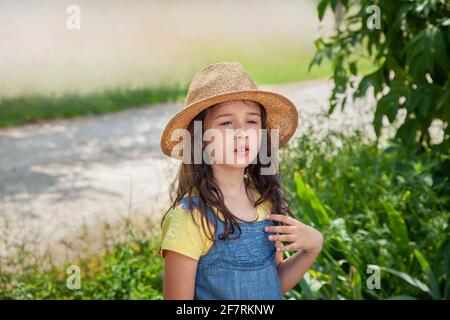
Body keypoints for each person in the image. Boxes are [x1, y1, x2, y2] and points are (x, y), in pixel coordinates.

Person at [159, 62, 323, 300]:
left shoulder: (265, 201)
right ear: (200, 138)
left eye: (252, 121)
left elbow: (271, 284)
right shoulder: (191, 218)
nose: (242, 132)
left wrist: (313, 248)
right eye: (226, 123)